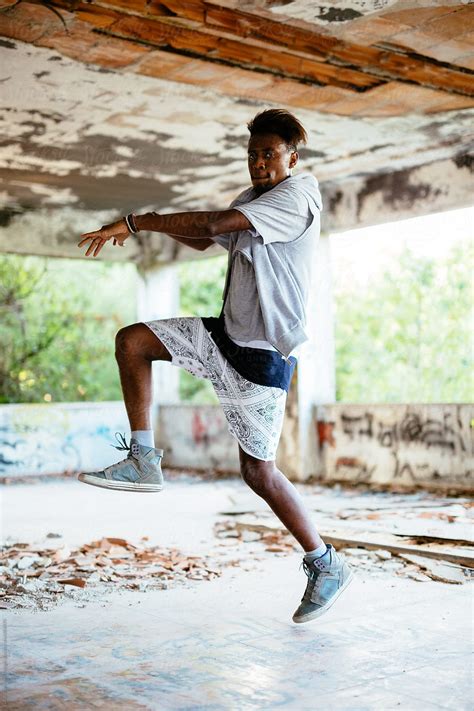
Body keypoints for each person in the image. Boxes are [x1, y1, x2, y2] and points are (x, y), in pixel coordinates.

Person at [77, 108, 353, 623]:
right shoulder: (251, 201)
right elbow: (207, 238)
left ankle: (326, 562)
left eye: (268, 154)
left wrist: (139, 222)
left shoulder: (299, 195)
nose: (258, 163)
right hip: (222, 335)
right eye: (252, 155)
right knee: (133, 342)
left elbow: (211, 224)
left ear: (292, 156)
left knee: (259, 473)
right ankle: (142, 458)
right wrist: (152, 226)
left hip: (261, 359)